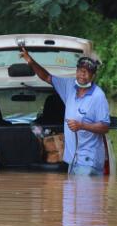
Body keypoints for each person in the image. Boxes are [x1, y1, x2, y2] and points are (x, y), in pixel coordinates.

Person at [20, 47, 110, 175]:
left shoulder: (98, 96)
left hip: (88, 161)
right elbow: (46, 77)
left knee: (84, 195)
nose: (82, 74)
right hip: (72, 160)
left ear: (93, 76)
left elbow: (105, 126)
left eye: (87, 72)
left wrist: (82, 125)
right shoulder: (69, 86)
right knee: (70, 195)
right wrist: (30, 61)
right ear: (76, 71)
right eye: (80, 70)